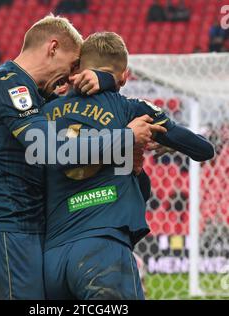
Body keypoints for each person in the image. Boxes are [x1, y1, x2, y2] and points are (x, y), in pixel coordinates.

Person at [0, 15, 158, 300]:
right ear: (52, 47)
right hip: (9, 233)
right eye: (71, 66)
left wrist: (105, 79)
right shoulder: (8, 84)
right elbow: (51, 150)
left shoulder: (25, 93)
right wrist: (126, 137)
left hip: (28, 232)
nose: (70, 78)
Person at [42, 32, 214, 300]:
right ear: (125, 76)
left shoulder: (44, 111)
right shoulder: (129, 110)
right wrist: (167, 141)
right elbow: (203, 149)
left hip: (50, 261)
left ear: (79, 68)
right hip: (101, 252)